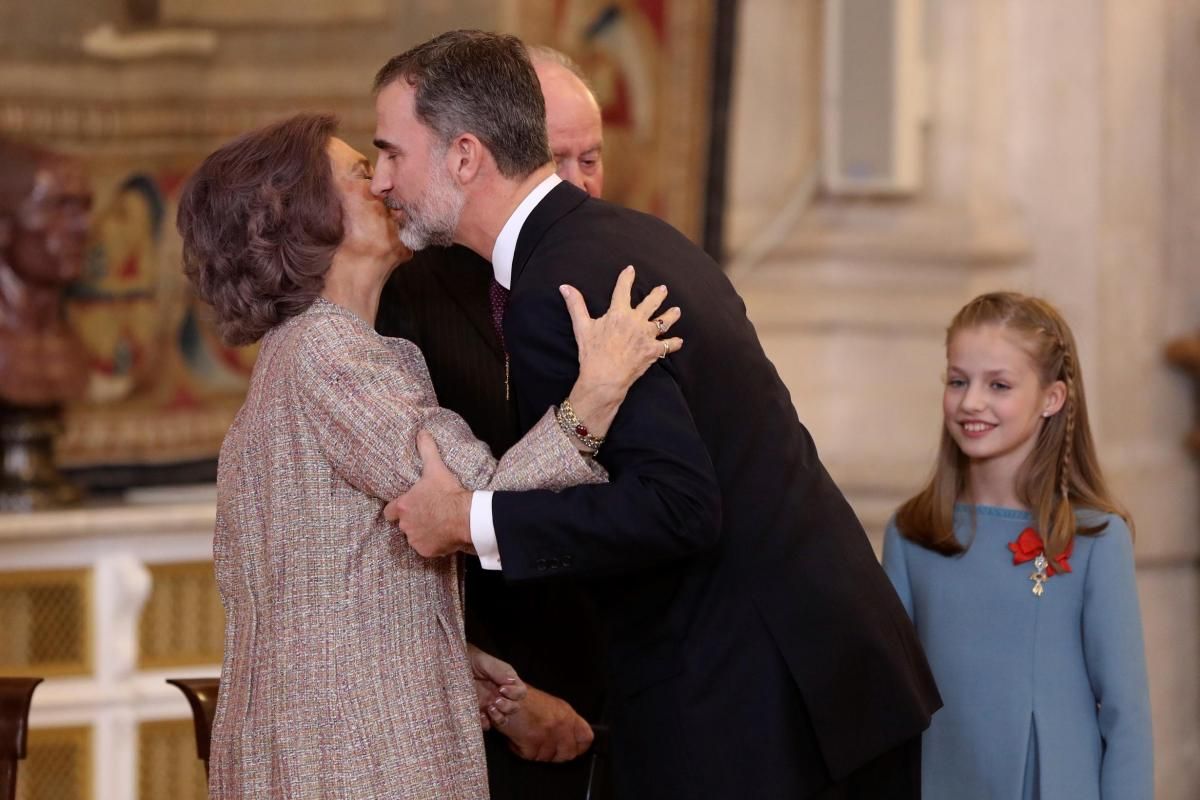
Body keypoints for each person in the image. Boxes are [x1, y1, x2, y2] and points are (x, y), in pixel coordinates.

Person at [371, 30, 941, 799]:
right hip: (819, 676)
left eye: (391, 152)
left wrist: (468, 521)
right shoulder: (626, 240)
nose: (379, 180)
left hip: (754, 706)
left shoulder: (558, 290)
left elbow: (678, 508)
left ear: (464, 156)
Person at [176, 112, 682, 799]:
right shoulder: (327, 350)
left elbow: (315, 589)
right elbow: (484, 497)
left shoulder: (300, 356)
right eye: (362, 172)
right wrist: (596, 392)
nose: (386, 182)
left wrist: (446, 657)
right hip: (360, 760)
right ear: (301, 218)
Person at [374, 45, 610, 799]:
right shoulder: (413, 294)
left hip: (633, 683)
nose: (572, 184)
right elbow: (407, 523)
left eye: (591, 158)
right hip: (505, 694)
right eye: (553, 157)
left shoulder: (630, 269)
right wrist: (497, 696)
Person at [881, 292, 1153, 799]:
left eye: (998, 385)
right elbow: (891, 703)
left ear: (1052, 398)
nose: (971, 402)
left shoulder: (1095, 538)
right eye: (958, 380)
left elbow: (1125, 716)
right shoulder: (912, 533)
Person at [0, 137, 91, 407]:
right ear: (4, 227)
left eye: (84, 207)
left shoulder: (74, 347)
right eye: (58, 206)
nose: (82, 226)